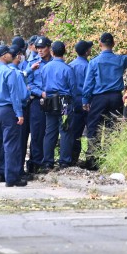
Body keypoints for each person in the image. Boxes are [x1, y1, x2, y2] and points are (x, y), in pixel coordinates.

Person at [82, 32, 127, 153]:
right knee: (113, 127)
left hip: (99, 98)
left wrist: (85, 100)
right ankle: (110, 154)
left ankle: (93, 157)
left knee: (94, 127)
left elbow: (88, 84)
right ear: (113, 44)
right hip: (115, 97)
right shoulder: (120, 60)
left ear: (100, 44)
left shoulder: (94, 62)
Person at [0, 45, 28, 187]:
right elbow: (14, 95)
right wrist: (19, 113)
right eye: (9, 53)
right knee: (10, 145)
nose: (11, 55)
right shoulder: (10, 72)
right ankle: (11, 178)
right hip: (7, 110)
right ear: (3, 56)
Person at [36, 40, 74, 171]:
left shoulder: (45, 68)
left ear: (52, 52)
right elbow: (72, 87)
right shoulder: (68, 69)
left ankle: (48, 162)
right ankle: (64, 161)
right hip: (64, 102)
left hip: (50, 101)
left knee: (50, 132)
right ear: (64, 52)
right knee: (65, 130)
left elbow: (42, 84)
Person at [59, 40, 92, 168]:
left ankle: (73, 157)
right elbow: (90, 85)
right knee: (90, 130)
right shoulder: (88, 66)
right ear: (86, 51)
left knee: (74, 131)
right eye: (89, 48)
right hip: (86, 101)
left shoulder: (70, 65)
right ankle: (90, 159)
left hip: (73, 101)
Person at [26, 36, 53, 173]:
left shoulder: (55, 63)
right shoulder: (33, 63)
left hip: (53, 101)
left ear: (49, 47)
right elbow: (28, 84)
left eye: (42, 48)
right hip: (37, 101)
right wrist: (40, 93)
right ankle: (36, 162)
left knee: (50, 132)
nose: (40, 50)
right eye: (38, 48)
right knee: (37, 132)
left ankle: (47, 160)